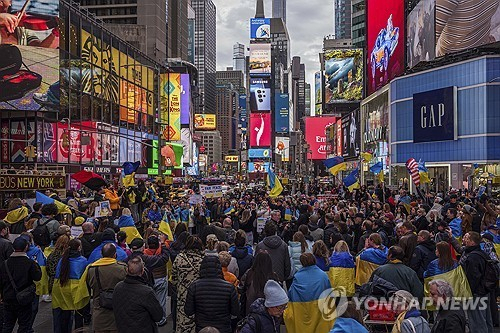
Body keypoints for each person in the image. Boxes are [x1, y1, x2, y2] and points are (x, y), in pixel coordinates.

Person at [184, 256, 239, 333]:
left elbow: (188, 311)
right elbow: (235, 311)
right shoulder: (229, 287)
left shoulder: (194, 286)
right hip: (223, 328)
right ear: (219, 268)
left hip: (202, 328)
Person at [0, 236, 42, 333]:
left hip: (8, 298)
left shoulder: (5, 263)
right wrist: (36, 265)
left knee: (8, 324)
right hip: (24, 299)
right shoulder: (29, 263)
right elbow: (37, 277)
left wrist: (2, 295)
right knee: (24, 325)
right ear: (26, 247)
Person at [112, 256, 163, 333]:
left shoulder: (118, 287)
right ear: (142, 271)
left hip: (123, 328)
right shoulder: (146, 292)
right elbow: (158, 316)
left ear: (126, 270)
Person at [285, 253, 332, 333]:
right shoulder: (323, 275)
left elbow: (291, 295)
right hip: (319, 310)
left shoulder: (297, 277)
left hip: (301, 309)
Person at [86, 243, 127, 333]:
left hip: (99, 314)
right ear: (115, 254)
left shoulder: (92, 269)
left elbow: (89, 286)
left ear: (102, 254)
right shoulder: (122, 269)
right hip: (117, 313)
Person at [51, 239, 89, 333]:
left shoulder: (62, 259)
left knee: (65, 314)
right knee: (79, 315)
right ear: (79, 248)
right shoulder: (83, 261)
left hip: (61, 288)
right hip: (76, 290)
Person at [459, 231, 493, 332]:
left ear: (472, 242)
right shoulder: (482, 254)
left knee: (477, 321)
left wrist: (468, 293)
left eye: (467, 238)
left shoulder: (472, 257)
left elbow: (473, 277)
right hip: (485, 291)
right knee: (486, 319)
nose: (464, 239)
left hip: (476, 293)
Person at [171, 235, 205, 333]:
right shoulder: (204, 259)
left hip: (183, 295)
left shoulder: (179, 258)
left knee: (184, 323)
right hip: (200, 296)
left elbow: (174, 278)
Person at [240, 252, 279, 316]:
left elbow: (241, 287)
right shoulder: (273, 276)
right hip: (268, 307)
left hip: (250, 305)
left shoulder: (250, 273)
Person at [143, 235, 170, 326]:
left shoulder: (144, 255)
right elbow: (166, 253)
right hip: (161, 278)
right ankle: (161, 319)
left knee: (150, 301)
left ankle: (151, 318)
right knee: (161, 301)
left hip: (149, 280)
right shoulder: (162, 253)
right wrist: (162, 243)